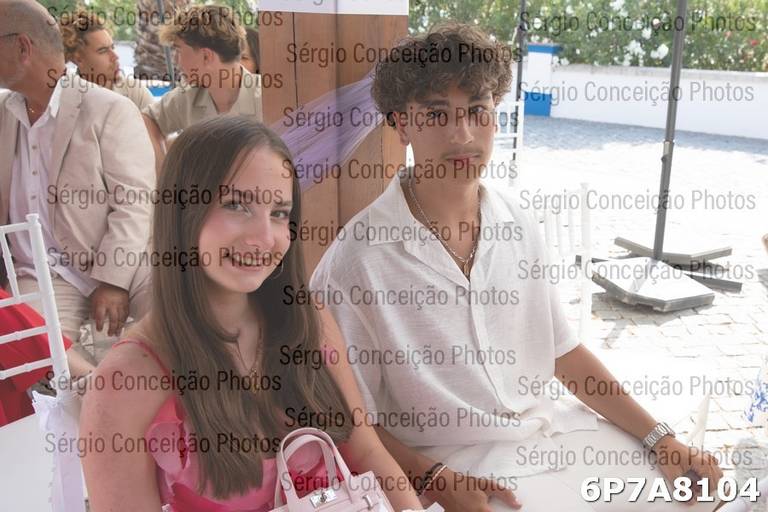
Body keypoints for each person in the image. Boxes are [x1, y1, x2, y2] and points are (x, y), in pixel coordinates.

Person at [310, 23, 724, 511]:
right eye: (437, 114)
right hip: (451, 469)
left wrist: (660, 439)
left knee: (695, 499)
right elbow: (346, 421)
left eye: (477, 110)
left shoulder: (517, 222)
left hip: (552, 437)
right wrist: (434, 478)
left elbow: (563, 353)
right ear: (402, 124)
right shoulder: (357, 261)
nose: (463, 135)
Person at [80, 116, 423, 511]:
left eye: (279, 212)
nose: (264, 237)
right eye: (236, 205)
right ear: (182, 211)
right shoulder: (123, 382)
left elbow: (367, 453)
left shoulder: (307, 320)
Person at [0, 0, 155, 369]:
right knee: (25, 355)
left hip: (121, 262)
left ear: (23, 47)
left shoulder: (109, 109)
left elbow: (134, 203)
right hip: (40, 274)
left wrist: (114, 280)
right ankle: (93, 392)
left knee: (180, 323)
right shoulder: (4, 115)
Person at [142, 5, 263, 174]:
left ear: (206, 56)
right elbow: (148, 119)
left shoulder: (268, 96)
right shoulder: (188, 95)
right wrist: (164, 173)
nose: (176, 60)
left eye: (178, 50)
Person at [58, 8, 153, 111]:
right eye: (102, 50)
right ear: (79, 59)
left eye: (112, 47)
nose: (115, 57)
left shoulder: (136, 93)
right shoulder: (63, 99)